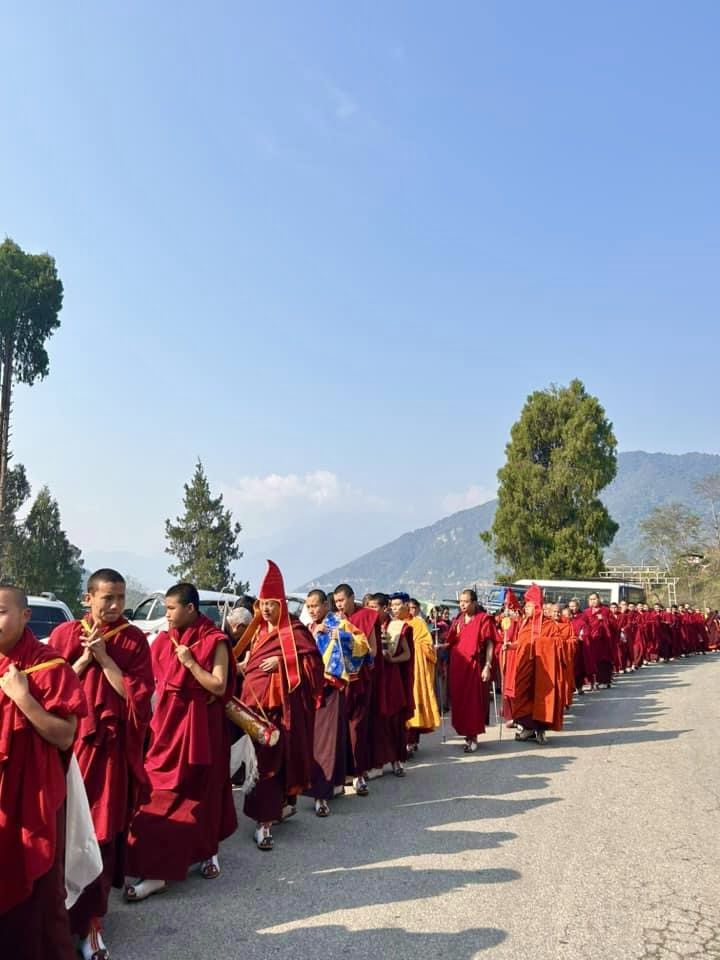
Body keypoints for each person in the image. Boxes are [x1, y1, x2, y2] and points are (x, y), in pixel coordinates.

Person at [50, 569, 154, 960]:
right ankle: (59, 915)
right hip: (69, 748)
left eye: (120, 598)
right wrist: (81, 659)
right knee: (63, 832)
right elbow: (53, 689)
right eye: (106, 598)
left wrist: (105, 657)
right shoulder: (64, 636)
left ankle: (92, 922)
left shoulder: (132, 640)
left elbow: (136, 697)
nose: (113, 606)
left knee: (100, 833)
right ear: (88, 598)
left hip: (108, 752)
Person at [124, 583, 237, 900]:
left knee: (202, 795)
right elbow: (151, 685)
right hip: (166, 730)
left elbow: (217, 685)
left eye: (172, 608)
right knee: (156, 795)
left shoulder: (215, 641)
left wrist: (189, 663)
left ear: (191, 608)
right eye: (166, 608)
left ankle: (203, 853)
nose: (167, 614)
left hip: (200, 729)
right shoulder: (161, 641)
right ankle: (158, 867)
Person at [0, 585, 87, 960]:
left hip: (31, 799)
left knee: (35, 889)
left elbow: (66, 736)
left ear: (25, 615)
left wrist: (23, 699)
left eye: (1, 610)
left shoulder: (48, 667)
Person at [241, 562, 324, 850]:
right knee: (258, 765)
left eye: (272, 604)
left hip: (281, 712)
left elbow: (314, 665)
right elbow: (252, 662)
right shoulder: (259, 632)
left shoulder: (295, 632)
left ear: (282, 604)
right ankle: (277, 808)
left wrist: (284, 662)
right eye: (263, 603)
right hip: (254, 709)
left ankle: (263, 824)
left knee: (270, 766)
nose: (266, 609)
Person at [304, 589, 369, 815]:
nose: (312, 611)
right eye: (308, 607)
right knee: (316, 739)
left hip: (331, 688)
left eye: (315, 606)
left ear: (325, 605)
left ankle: (321, 795)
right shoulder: (306, 628)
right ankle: (333, 783)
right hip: (309, 691)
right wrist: (313, 634)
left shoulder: (338, 622)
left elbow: (364, 646)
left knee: (327, 740)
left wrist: (339, 636)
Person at [333, 583, 378, 797]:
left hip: (359, 678)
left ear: (352, 598)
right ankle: (342, 775)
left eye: (342, 600)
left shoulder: (367, 616)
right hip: (338, 681)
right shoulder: (333, 620)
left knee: (357, 728)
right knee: (339, 729)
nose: (340, 605)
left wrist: (349, 639)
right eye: (336, 602)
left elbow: (373, 650)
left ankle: (359, 774)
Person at [507, 584, 563, 744]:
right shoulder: (525, 624)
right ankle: (528, 728)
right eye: (525, 605)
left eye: (529, 605)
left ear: (537, 607)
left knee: (541, 698)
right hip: (525, 667)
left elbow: (559, 643)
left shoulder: (549, 625)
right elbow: (523, 643)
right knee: (522, 697)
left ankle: (540, 729)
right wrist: (511, 645)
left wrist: (542, 644)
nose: (525, 608)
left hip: (542, 670)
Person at [444, 589, 496, 752]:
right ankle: (466, 733)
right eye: (460, 602)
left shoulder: (483, 619)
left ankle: (473, 736)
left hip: (475, 666)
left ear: (474, 602)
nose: (462, 605)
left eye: (466, 602)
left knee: (473, 701)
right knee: (459, 701)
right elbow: (451, 641)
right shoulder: (458, 620)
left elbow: (489, 643)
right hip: (458, 666)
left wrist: (488, 665)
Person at [373, 592, 413, 776]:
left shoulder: (397, 627)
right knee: (378, 722)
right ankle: (377, 762)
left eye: (375, 608)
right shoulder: (367, 626)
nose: (372, 611)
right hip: (375, 679)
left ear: (384, 608)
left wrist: (392, 659)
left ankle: (396, 761)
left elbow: (407, 654)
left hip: (392, 678)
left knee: (394, 720)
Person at [406, 598, 440, 753]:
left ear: (418, 609)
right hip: (402, 668)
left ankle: (412, 741)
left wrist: (414, 646)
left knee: (415, 703)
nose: (411, 610)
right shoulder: (397, 624)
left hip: (417, 670)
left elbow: (429, 647)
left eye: (413, 608)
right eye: (409, 607)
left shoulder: (419, 624)